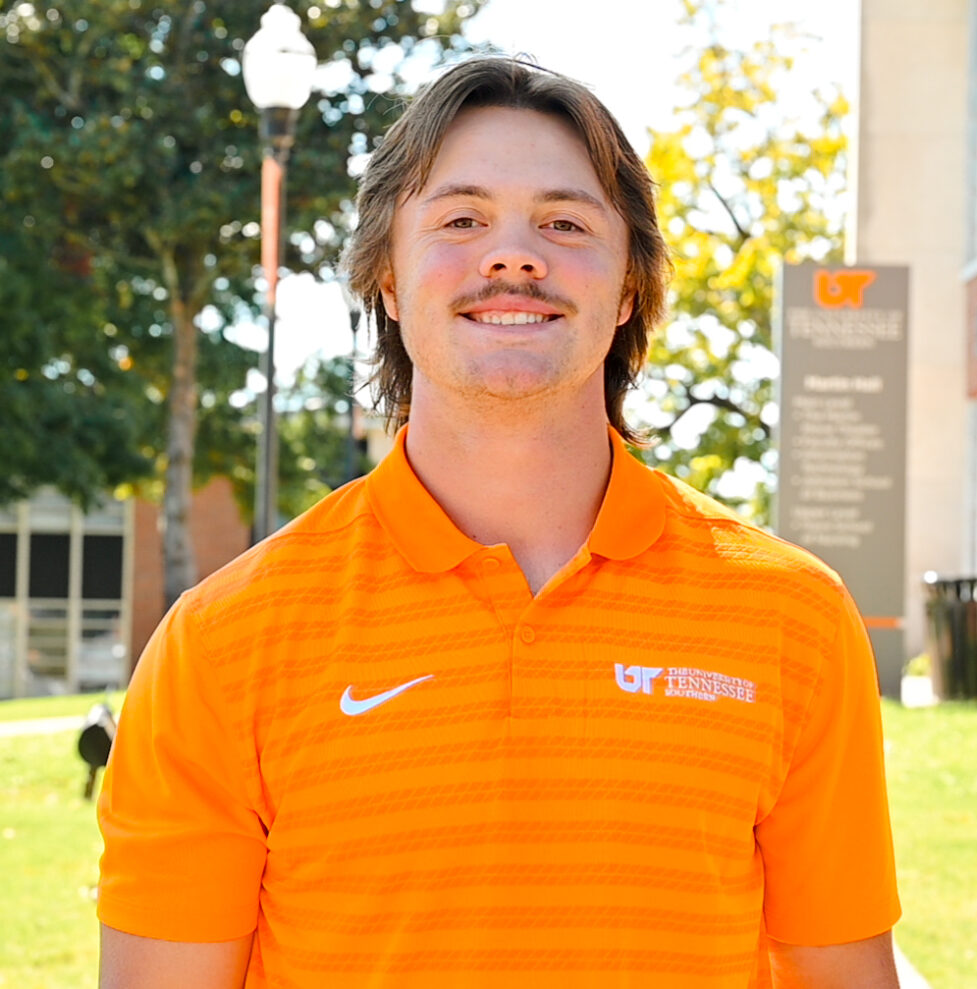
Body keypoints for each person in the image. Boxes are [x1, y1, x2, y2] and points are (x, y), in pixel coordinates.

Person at [97, 56, 901, 988]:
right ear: (387, 282)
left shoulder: (792, 620)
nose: (513, 256)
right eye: (461, 219)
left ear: (629, 287)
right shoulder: (221, 645)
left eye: (564, 222)